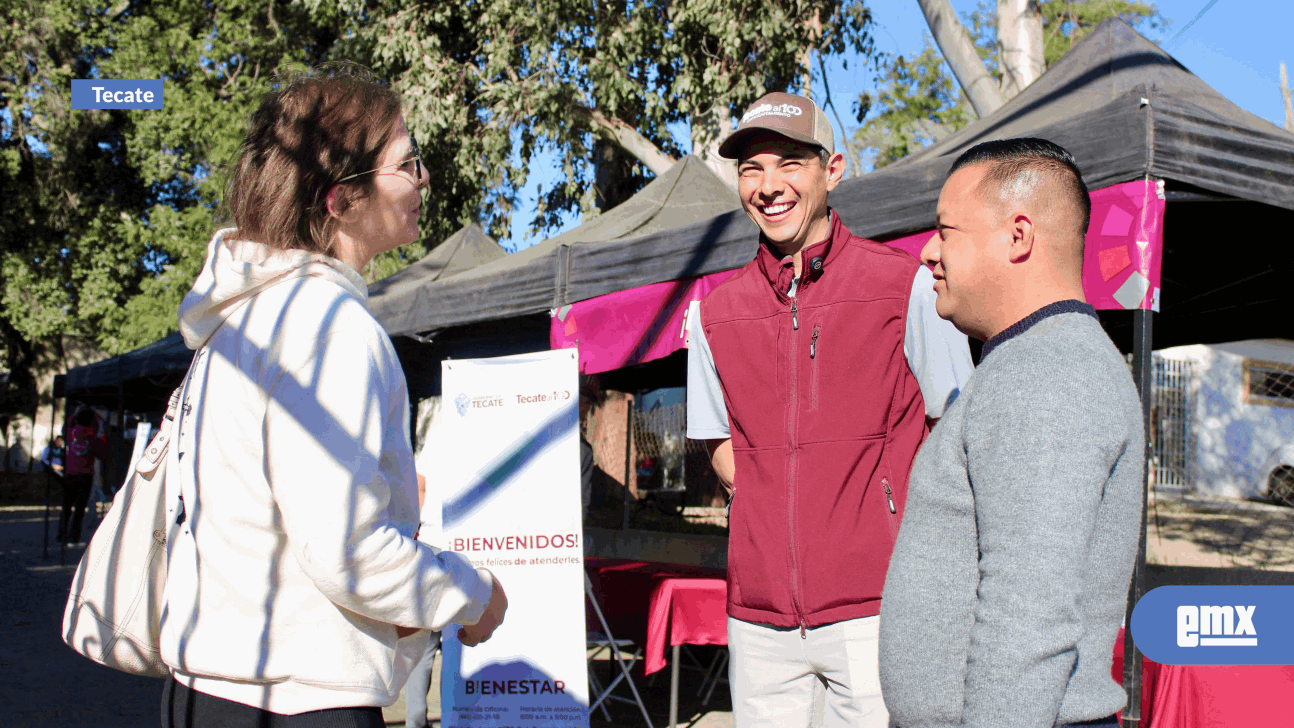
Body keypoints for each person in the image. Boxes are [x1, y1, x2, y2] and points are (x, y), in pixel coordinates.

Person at [159, 63, 507, 727]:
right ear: (341, 199)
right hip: (297, 699)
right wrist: (471, 593)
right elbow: (349, 552)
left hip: (214, 687)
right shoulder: (327, 328)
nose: (422, 178)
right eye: (407, 163)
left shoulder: (244, 319)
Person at [685, 92, 973, 728]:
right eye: (751, 168)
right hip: (758, 618)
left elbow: (957, 430)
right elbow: (719, 445)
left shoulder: (909, 287)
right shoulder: (712, 315)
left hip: (879, 606)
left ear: (832, 169)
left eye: (790, 162)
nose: (768, 185)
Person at [878, 138, 1144, 728]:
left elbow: (1028, 619)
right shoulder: (1033, 362)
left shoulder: (1044, 371)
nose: (927, 252)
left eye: (946, 231)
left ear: (1018, 236)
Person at [59, 409, 106, 545]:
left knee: (66, 506)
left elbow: (65, 427)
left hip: (70, 473)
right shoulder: (93, 436)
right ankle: (73, 537)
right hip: (85, 475)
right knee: (79, 509)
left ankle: (61, 535)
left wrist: (73, 415)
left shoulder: (70, 433)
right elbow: (102, 452)